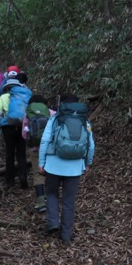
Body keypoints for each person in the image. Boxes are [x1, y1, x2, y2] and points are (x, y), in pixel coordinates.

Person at [38, 94, 95, 244]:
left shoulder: (55, 118)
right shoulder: (84, 121)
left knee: (51, 193)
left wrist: (41, 162)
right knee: (69, 201)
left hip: (53, 164)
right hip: (75, 167)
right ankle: (66, 235)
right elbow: (91, 145)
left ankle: (53, 222)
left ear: (62, 105)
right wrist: (87, 163)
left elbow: (45, 140)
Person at [0, 77, 31, 189]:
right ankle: (23, 178)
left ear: (7, 88)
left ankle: (10, 180)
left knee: (9, 153)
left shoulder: (4, 97)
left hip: (8, 128)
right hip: (22, 126)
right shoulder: (24, 97)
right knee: (21, 154)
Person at [22, 94, 54, 212]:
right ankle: (52, 199)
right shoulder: (52, 113)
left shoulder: (28, 114)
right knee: (51, 172)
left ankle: (41, 201)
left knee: (37, 173)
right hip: (50, 149)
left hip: (35, 149)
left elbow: (24, 134)